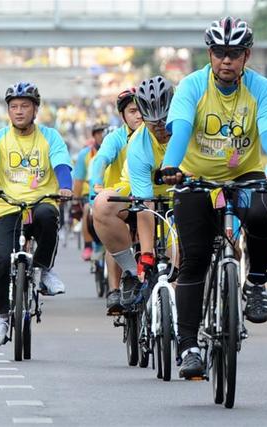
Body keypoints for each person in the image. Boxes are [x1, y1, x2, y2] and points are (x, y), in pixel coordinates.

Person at [160, 17, 267, 379]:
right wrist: (170, 166)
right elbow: (180, 131)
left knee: (260, 217)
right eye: (221, 53)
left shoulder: (263, 88)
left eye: (235, 54)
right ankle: (189, 345)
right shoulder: (191, 86)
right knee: (193, 260)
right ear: (210, 54)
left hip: (245, 175)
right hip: (195, 178)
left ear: (246, 56)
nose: (227, 61)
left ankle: (255, 283)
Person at [0, 82, 72, 346]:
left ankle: (43, 269)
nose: (19, 111)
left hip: (41, 200)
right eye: (14, 106)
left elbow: (62, 164)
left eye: (25, 106)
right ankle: (2, 318)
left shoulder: (50, 137)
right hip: (7, 206)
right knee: (2, 260)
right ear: (8, 111)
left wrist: (65, 187)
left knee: (47, 217)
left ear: (36, 109)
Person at [93, 76, 180, 313]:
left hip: (178, 198)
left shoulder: (187, 130)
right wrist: (147, 257)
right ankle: (128, 274)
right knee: (101, 204)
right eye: (153, 123)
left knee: (177, 268)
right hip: (142, 196)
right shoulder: (135, 142)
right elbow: (145, 204)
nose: (161, 128)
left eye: (165, 121)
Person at [89, 88, 143, 314]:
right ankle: (113, 289)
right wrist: (96, 183)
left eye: (142, 110)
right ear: (122, 116)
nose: (139, 115)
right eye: (132, 111)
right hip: (118, 199)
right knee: (117, 245)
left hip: (147, 198)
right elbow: (101, 159)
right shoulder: (116, 138)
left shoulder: (157, 135)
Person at [72, 122, 107, 261]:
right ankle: (88, 245)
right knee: (87, 209)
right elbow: (79, 180)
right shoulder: (85, 154)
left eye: (104, 133)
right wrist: (75, 200)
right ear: (94, 136)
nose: (102, 136)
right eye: (99, 133)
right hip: (89, 193)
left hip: (109, 190)